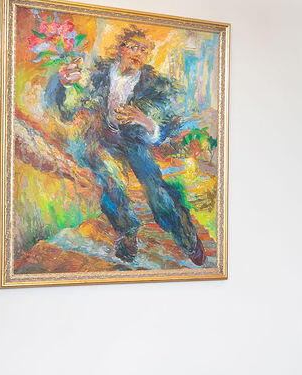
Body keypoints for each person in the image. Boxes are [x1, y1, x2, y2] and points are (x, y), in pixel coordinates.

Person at [48, 24, 208, 266]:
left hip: (135, 142)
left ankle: (188, 240)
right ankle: (127, 234)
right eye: (134, 47)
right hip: (102, 138)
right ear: (120, 49)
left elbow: (168, 124)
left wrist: (145, 121)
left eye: (144, 50)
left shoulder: (155, 84)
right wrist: (64, 84)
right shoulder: (96, 74)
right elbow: (66, 110)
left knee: (156, 191)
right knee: (111, 181)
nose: (138, 54)